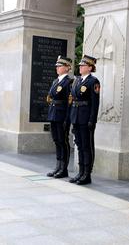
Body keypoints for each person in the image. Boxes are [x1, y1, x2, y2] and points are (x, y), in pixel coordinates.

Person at [69, 55, 100, 185]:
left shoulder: (93, 81)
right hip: (76, 117)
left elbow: (95, 103)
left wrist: (92, 121)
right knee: (80, 146)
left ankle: (87, 174)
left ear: (90, 67)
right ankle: (80, 172)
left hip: (86, 118)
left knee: (87, 146)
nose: (80, 67)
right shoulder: (77, 81)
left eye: (83, 65)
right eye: (80, 65)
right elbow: (73, 100)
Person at [46, 56, 72, 178]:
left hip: (62, 116)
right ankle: (58, 166)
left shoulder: (69, 82)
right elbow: (51, 97)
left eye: (60, 66)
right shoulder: (55, 81)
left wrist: (67, 119)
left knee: (63, 141)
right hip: (53, 114)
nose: (57, 68)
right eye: (57, 66)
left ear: (67, 68)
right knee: (56, 141)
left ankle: (63, 168)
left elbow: (69, 103)